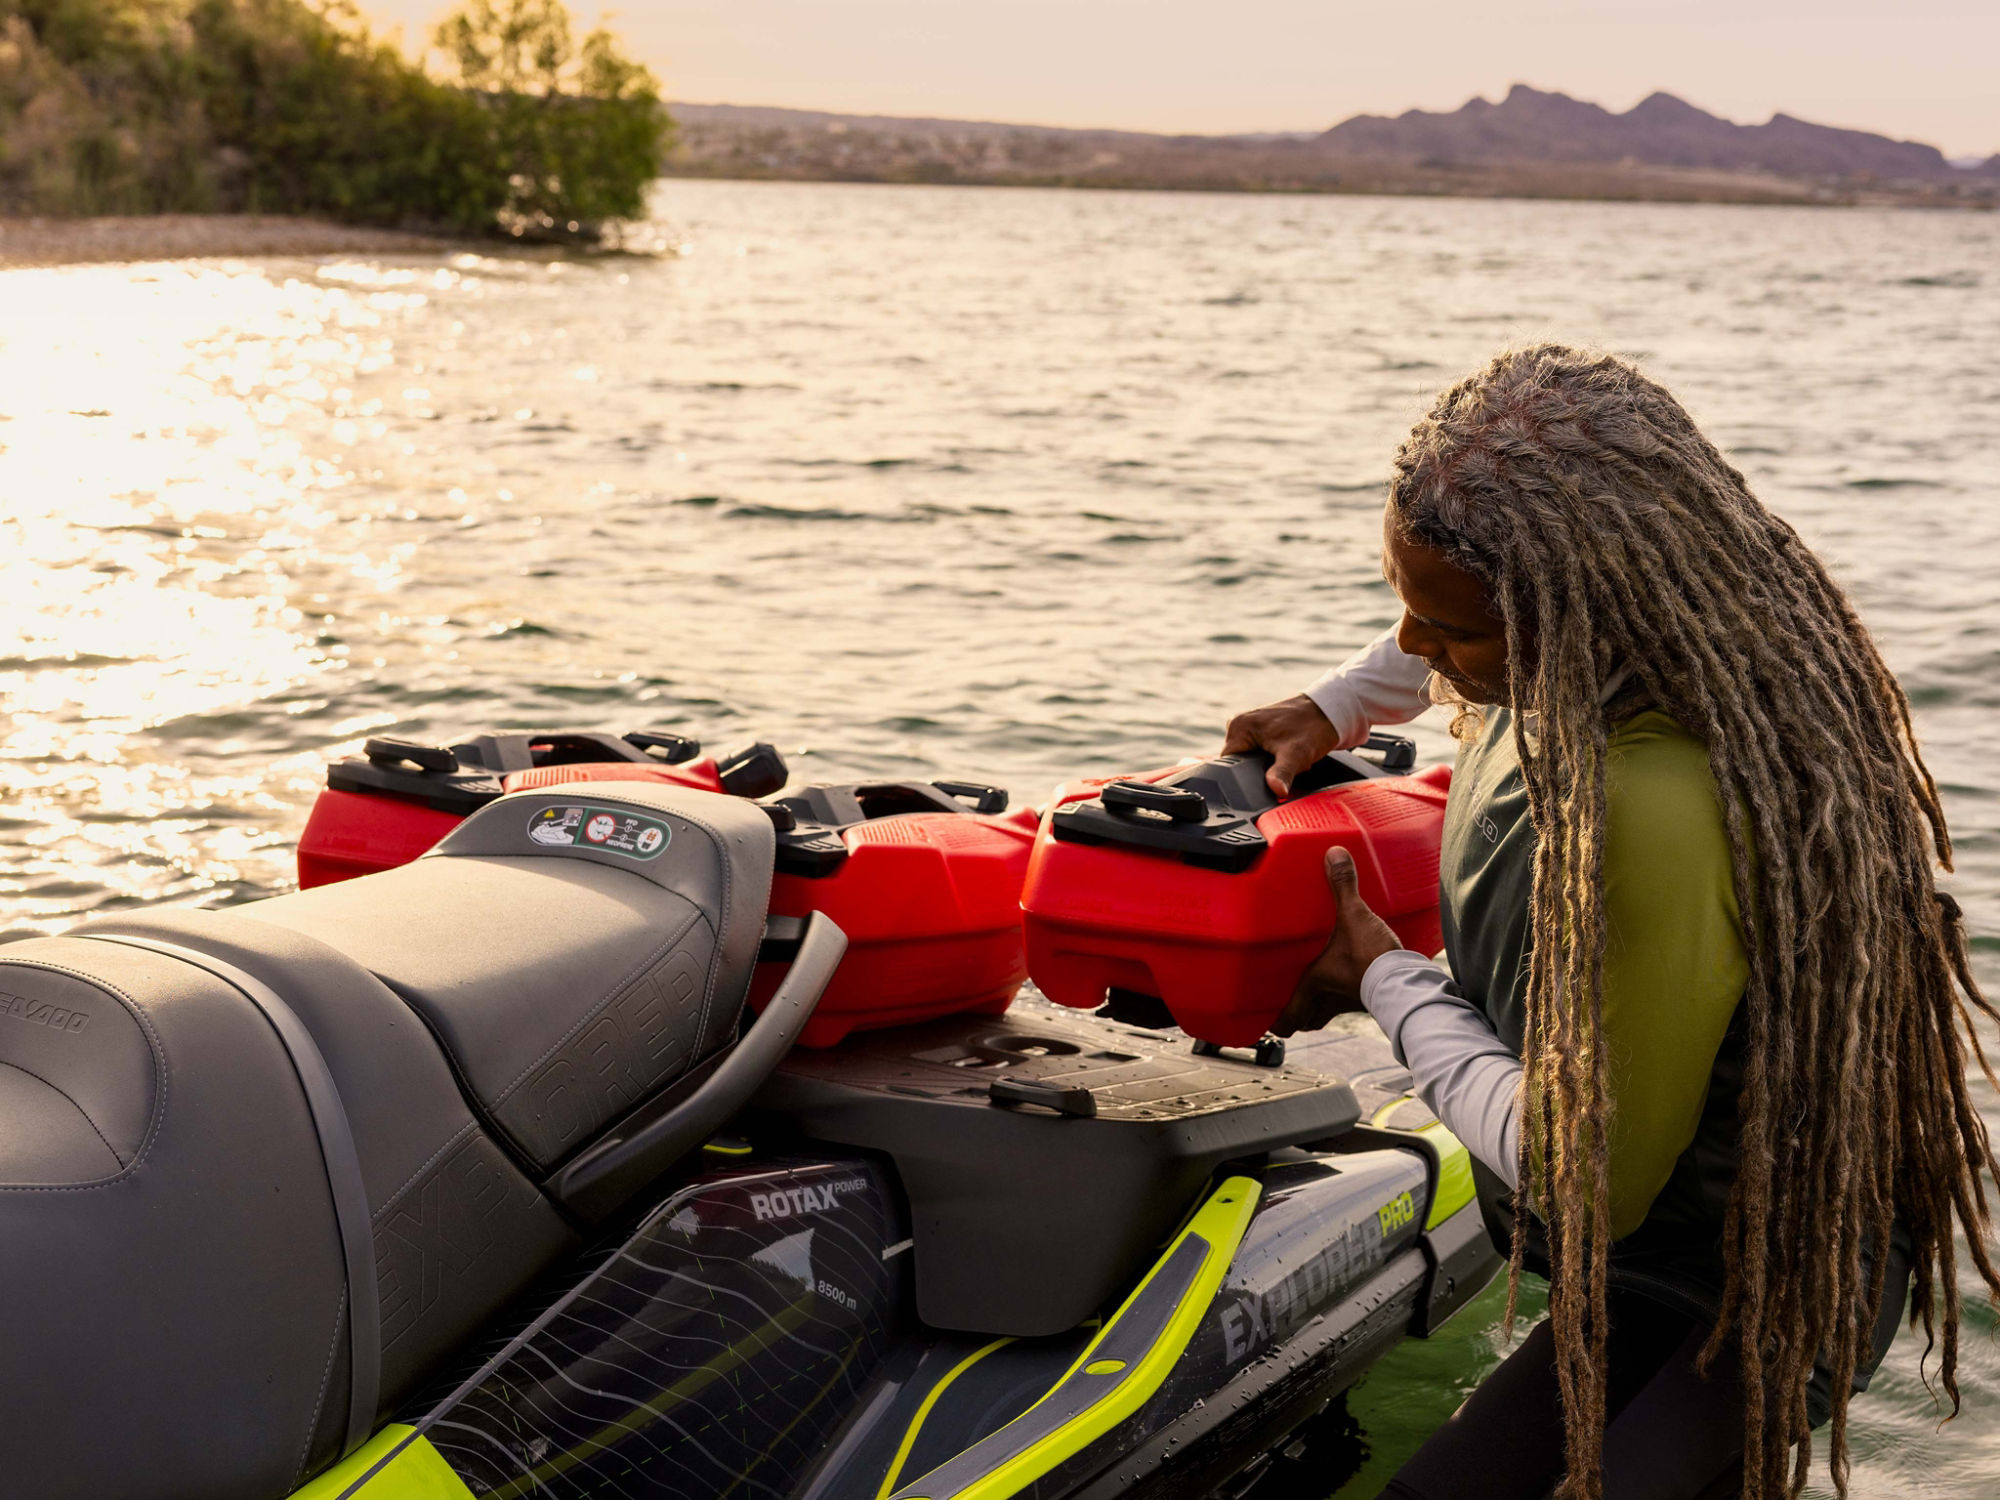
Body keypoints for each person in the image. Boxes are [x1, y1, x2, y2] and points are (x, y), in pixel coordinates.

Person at [1222, 345, 1998, 1500]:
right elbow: (1441, 625)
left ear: (1571, 608)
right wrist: (1336, 702)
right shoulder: (1607, 641)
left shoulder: (1650, 796)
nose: (1420, 651)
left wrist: (1383, 981)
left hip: (1757, 1270)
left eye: (1448, 628)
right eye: (1404, 614)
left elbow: (1579, 1176)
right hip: (1660, 1233)